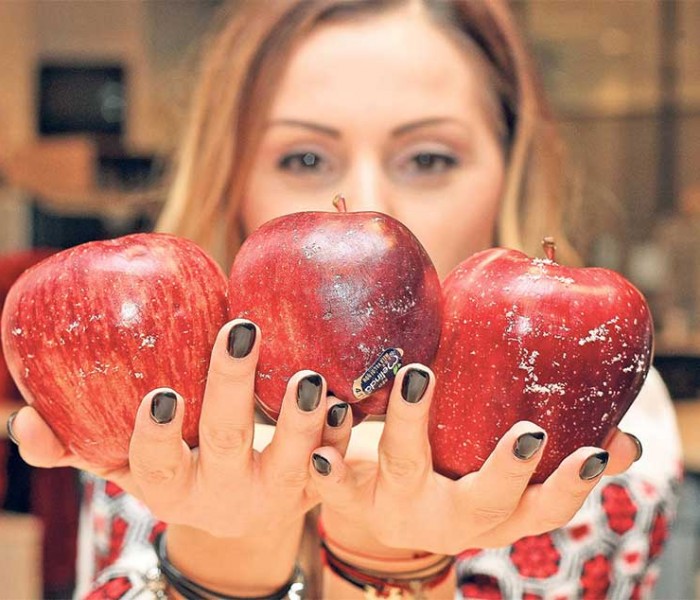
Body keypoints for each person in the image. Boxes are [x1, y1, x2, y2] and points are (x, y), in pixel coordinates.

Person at [6, 0, 682, 598]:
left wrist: (392, 562)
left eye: (429, 158)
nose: (367, 205)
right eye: (304, 159)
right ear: (231, 175)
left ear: (510, 170)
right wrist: (221, 557)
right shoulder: (158, 386)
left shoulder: (577, 402)